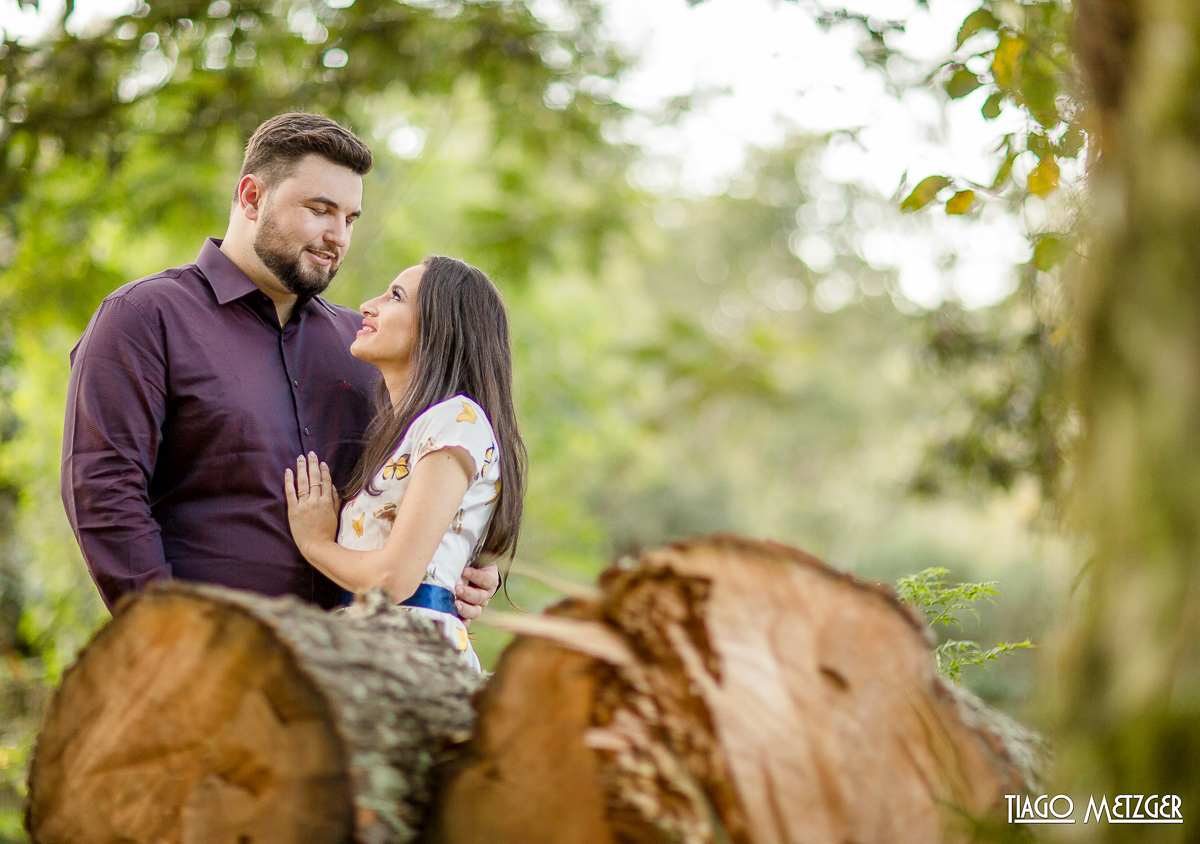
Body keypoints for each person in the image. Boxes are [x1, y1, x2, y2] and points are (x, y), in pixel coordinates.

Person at [61, 112, 498, 616]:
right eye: (319, 210)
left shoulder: (363, 349)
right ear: (251, 197)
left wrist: (458, 569)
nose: (338, 236)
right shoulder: (145, 317)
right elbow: (104, 493)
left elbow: (409, 490)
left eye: (350, 219)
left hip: (347, 670)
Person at [285, 256, 526, 671]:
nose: (367, 304)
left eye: (395, 296)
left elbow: (394, 580)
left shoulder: (456, 419)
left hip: (409, 664)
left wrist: (316, 543)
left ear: (441, 328)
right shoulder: (406, 431)